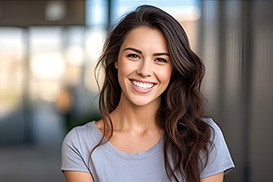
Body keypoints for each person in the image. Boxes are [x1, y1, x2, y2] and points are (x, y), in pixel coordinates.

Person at [61, 5, 234, 182]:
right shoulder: (80, 143)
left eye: (160, 60)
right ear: (116, 60)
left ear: (173, 69)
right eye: (134, 56)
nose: (145, 71)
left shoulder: (203, 137)